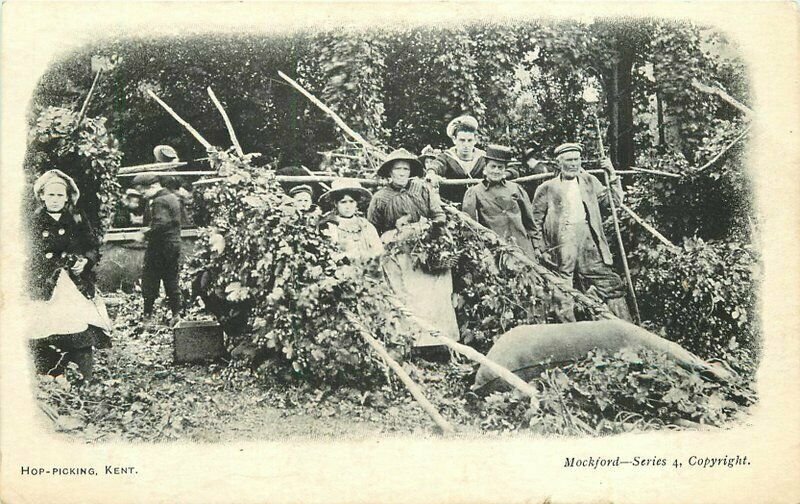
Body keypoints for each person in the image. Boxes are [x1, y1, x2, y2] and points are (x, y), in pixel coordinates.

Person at [368, 149, 458, 353]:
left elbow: (438, 214)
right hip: (398, 251)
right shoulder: (380, 198)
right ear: (389, 172)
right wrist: (396, 234)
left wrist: (430, 229)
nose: (401, 173)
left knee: (436, 293)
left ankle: (441, 343)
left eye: (405, 169)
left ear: (410, 171)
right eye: (397, 169)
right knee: (409, 294)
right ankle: (413, 343)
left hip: (425, 246)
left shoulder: (422, 189)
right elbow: (373, 229)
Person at [530, 143, 632, 322]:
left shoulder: (589, 181)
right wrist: (539, 248)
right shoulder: (547, 188)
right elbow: (534, 222)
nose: (573, 164)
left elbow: (613, 202)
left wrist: (612, 175)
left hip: (587, 240)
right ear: (558, 163)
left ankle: (626, 326)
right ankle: (570, 332)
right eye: (569, 160)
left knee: (611, 282)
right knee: (563, 288)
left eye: (576, 160)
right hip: (560, 244)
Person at [27, 169, 112, 379]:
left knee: (78, 326)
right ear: (42, 196)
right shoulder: (33, 221)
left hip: (73, 283)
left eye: (59, 195)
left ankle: (85, 377)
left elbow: (92, 245)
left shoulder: (76, 218)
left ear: (67, 197)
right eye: (50, 195)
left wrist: (84, 261)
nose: (55, 200)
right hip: (44, 283)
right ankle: (51, 374)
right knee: (44, 328)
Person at [462, 145, 538, 260]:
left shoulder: (515, 188)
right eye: (493, 167)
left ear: (504, 170)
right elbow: (470, 226)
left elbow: (529, 221)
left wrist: (536, 247)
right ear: (485, 168)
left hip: (523, 247)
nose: (496, 171)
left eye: (500, 167)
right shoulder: (474, 192)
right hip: (496, 250)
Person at [427, 115, 519, 203]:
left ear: (475, 140)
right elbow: (436, 165)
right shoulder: (447, 157)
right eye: (462, 140)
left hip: (482, 206)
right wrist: (431, 173)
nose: (466, 145)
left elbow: (512, 168)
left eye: (469, 140)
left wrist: (502, 175)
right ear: (454, 140)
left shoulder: (483, 157)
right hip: (452, 207)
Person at [132, 173, 183, 327]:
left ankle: (147, 318)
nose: (143, 196)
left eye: (143, 192)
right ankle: (176, 314)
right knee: (171, 280)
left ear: (153, 187)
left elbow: (161, 223)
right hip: (173, 245)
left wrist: (144, 233)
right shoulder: (172, 197)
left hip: (159, 247)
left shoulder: (159, 201)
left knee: (150, 280)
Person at [318, 179, 383, 261]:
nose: (348, 206)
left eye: (351, 202)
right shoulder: (330, 225)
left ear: (356, 203)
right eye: (343, 202)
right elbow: (331, 254)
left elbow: (378, 249)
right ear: (335, 203)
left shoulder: (365, 225)